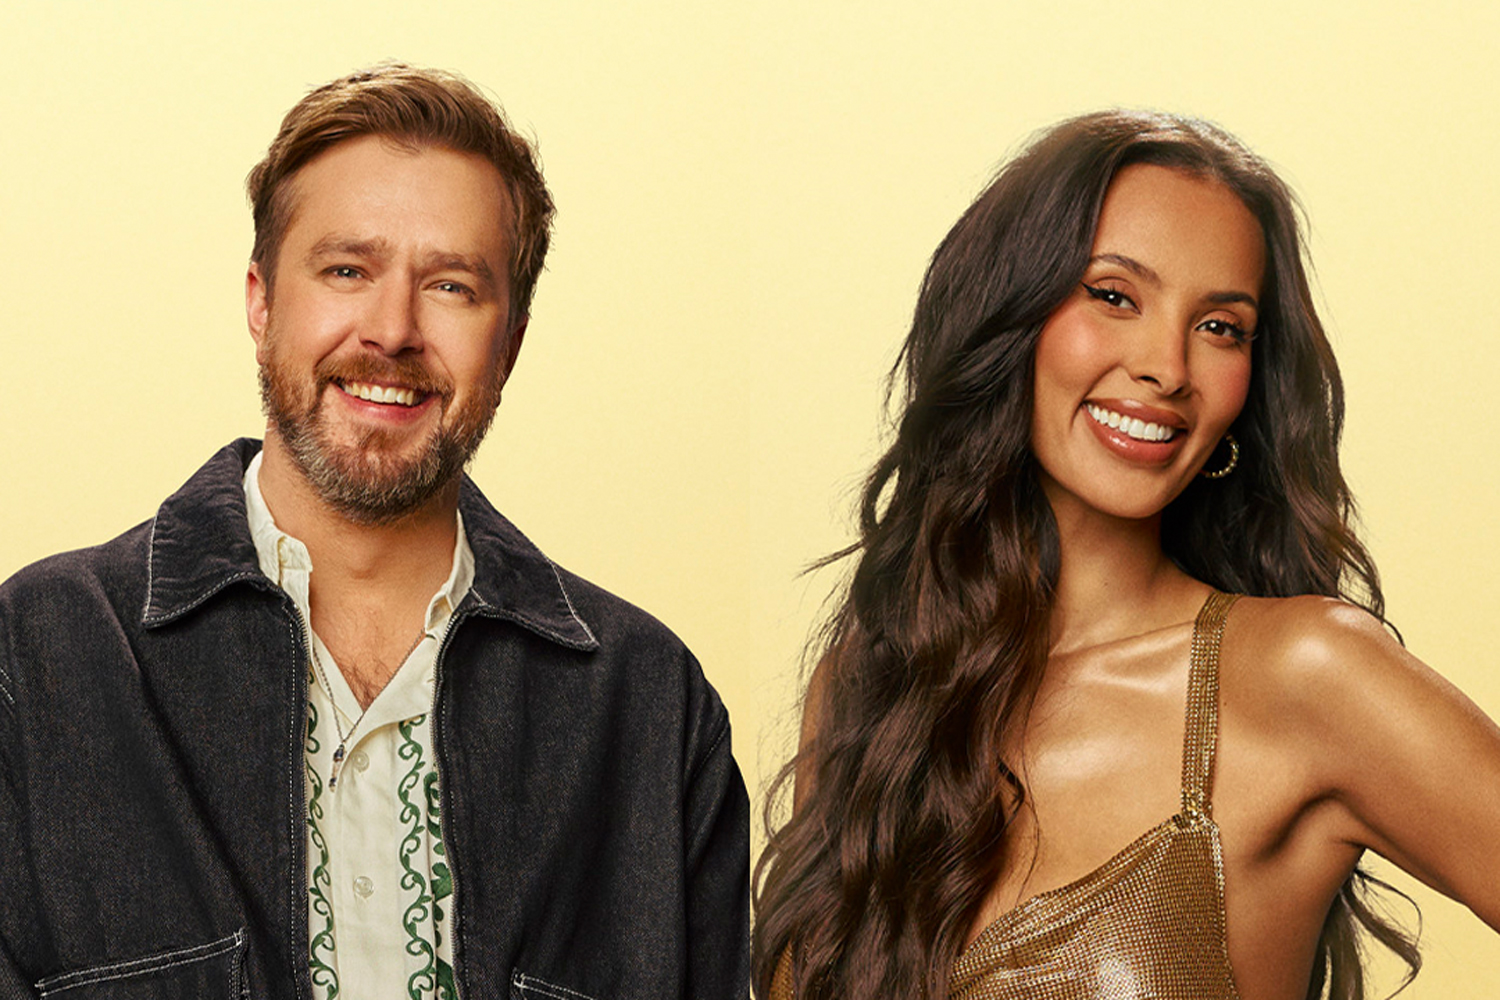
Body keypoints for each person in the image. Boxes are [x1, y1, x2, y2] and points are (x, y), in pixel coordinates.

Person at [0, 64, 748, 1000]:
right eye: (347, 270)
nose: (392, 330)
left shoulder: (648, 712)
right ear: (261, 302)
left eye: (451, 286)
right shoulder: (39, 660)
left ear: (508, 343)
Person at [753, 110, 1500, 1000]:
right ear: (1008, 318)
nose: (1168, 367)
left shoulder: (1305, 677)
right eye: (1114, 296)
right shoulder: (869, 687)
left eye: (1221, 326)